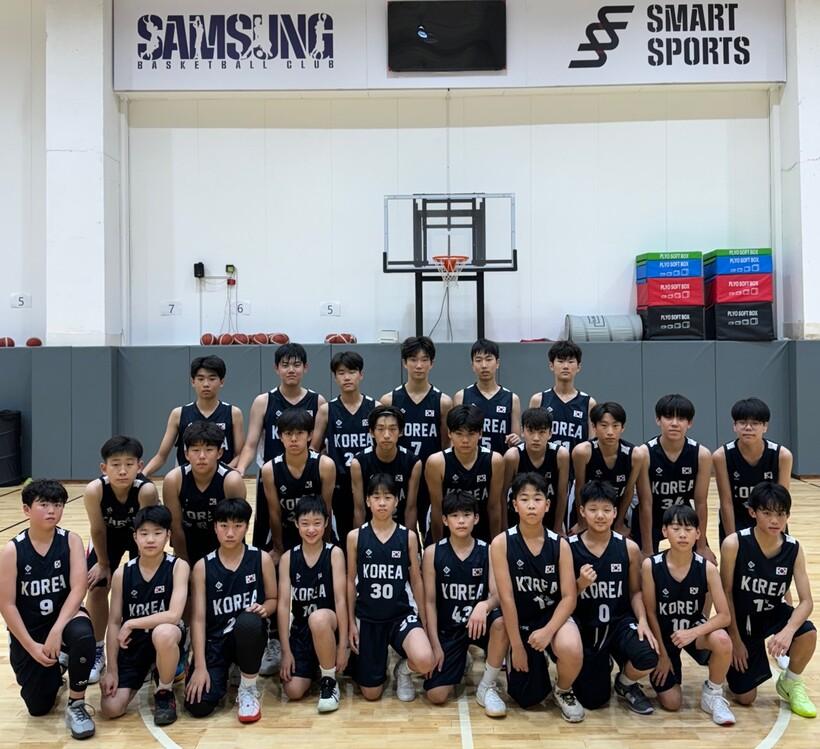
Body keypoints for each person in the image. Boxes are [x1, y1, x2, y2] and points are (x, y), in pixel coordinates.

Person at [0, 480, 96, 739]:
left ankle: (77, 703)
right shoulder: (12, 550)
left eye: (58, 504)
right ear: (26, 510)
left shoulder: (71, 541)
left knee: (83, 634)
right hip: (30, 629)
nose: (52, 510)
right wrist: (31, 646)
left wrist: (56, 631)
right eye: (43, 505)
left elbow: (78, 589)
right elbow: (6, 604)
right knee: (39, 707)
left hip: (64, 619)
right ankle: (59, 665)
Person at [491, 472, 585, 722]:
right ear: (515, 505)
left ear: (548, 505)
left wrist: (547, 631)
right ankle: (523, 657)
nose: (531, 505)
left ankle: (563, 690)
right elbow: (506, 599)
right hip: (520, 620)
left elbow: (569, 597)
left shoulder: (560, 545)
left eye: (537, 499)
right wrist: (517, 646)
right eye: (524, 499)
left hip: (551, 617)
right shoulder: (501, 543)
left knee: (571, 647)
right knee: (527, 699)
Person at [721, 482, 816, 718]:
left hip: (772, 611)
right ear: (752, 512)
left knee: (808, 633)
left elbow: (806, 601)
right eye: (767, 513)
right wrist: (735, 640)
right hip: (742, 619)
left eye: (781, 514)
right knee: (745, 698)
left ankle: (791, 681)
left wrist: (787, 631)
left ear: (788, 516)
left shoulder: (794, 548)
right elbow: (726, 593)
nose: (775, 520)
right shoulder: (734, 543)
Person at [569, 480, 659, 715]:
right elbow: (563, 597)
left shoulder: (629, 548)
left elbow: (635, 592)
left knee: (649, 654)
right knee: (593, 700)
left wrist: (642, 620)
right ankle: (600, 663)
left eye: (606, 510)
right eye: (593, 509)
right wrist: (580, 584)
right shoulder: (568, 547)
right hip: (586, 627)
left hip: (618, 622)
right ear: (582, 511)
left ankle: (625, 683)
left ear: (615, 512)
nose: (600, 515)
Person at [184, 498, 278, 723]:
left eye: (237, 526)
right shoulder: (202, 567)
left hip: (248, 636)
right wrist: (199, 665)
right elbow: (198, 619)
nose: (230, 533)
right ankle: (226, 671)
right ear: (215, 527)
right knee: (198, 705)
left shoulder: (261, 558)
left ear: (246, 527)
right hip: (216, 641)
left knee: (249, 622)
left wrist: (264, 608)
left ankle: (247, 687)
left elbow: (273, 599)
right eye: (224, 525)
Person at [642, 505, 735, 725]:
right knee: (672, 702)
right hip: (664, 635)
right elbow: (650, 613)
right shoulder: (650, 565)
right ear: (664, 531)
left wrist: (693, 633)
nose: (682, 535)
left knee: (722, 640)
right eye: (676, 529)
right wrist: (662, 656)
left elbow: (724, 616)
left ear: (698, 533)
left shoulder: (707, 568)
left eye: (688, 529)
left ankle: (713, 695)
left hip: (692, 630)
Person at [347, 473, 434, 702]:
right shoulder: (355, 537)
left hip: (400, 615)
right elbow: (349, 582)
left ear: (396, 501)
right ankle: (378, 660)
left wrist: (424, 620)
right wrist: (350, 623)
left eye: (388, 497)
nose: (382, 503)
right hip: (368, 618)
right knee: (371, 694)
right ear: (367, 501)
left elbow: (416, 580)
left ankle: (403, 670)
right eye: (376, 497)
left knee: (425, 659)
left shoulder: (408, 536)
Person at [101, 505, 190, 726]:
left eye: (157, 533)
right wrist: (111, 669)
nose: (150, 539)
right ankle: (151, 668)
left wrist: (131, 622)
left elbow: (174, 615)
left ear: (168, 535)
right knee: (111, 708)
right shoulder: (122, 573)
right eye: (144, 533)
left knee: (164, 633)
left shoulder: (178, 566)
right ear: (135, 537)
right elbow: (113, 623)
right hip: (135, 643)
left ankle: (164, 691)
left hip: (167, 635)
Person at [423, 490, 509, 717]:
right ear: (444, 520)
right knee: (437, 696)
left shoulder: (488, 550)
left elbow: (498, 595)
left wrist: (484, 606)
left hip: (479, 624)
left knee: (501, 622)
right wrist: (434, 644)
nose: (461, 521)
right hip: (449, 628)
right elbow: (429, 602)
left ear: (476, 518)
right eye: (454, 515)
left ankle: (487, 686)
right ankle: (461, 658)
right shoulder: (432, 553)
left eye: (467, 515)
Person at [234, 342, 327, 550]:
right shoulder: (263, 401)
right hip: (273, 477)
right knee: (268, 532)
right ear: (276, 368)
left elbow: (318, 445)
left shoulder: (317, 401)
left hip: (306, 476)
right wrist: (241, 468)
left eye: (296, 365)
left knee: (309, 527)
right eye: (285, 365)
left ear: (306, 367)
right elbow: (251, 443)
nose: (291, 370)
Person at [84, 435, 159, 684]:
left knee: (142, 590)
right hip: (107, 539)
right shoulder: (95, 490)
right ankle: (97, 651)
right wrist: (103, 564)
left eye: (129, 464)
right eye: (116, 464)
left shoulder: (146, 490)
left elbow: (148, 531)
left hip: (140, 537)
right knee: (96, 586)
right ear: (104, 468)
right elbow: (97, 530)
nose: (123, 470)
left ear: (140, 466)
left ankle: (142, 650)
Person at [277, 496, 348, 713]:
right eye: (305, 523)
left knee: (318, 619)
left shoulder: (334, 553)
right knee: (293, 690)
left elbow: (341, 600)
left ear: (326, 523)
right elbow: (283, 606)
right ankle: (320, 665)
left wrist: (342, 645)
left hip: (329, 624)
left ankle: (329, 681)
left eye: (317, 523)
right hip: (301, 631)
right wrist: (285, 651)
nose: (311, 529)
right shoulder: (288, 558)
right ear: (296, 524)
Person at [380, 335, 453, 538]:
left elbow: (446, 446)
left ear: (432, 363)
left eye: (424, 360)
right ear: (404, 363)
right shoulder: (389, 401)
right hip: (398, 478)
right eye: (413, 359)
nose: (419, 365)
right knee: (397, 536)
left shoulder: (443, 402)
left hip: (431, 480)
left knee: (435, 535)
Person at [634, 394, 714, 563]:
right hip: (651, 518)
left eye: (681, 418)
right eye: (669, 417)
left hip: (683, 516)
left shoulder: (702, 454)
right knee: (640, 566)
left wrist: (701, 546)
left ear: (689, 423)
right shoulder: (644, 453)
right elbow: (645, 504)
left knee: (708, 563)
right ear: (658, 420)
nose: (675, 423)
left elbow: (700, 503)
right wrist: (647, 549)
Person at [312, 351, 376, 545]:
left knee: (369, 536)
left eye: (352, 372)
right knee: (340, 536)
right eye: (341, 373)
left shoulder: (375, 407)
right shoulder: (326, 410)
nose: (347, 377)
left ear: (361, 374)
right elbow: (313, 449)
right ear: (335, 377)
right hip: (338, 483)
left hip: (370, 482)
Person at [143, 355, 245, 475]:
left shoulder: (233, 413)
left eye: (212, 379)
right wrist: (142, 475)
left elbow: (240, 454)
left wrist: (222, 472)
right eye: (200, 379)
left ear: (221, 382)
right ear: (193, 381)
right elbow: (161, 456)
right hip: (187, 479)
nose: (206, 384)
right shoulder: (178, 414)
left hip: (222, 479)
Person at [162, 421, 247, 566]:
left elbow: (237, 526)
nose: (202, 456)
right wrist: (184, 565)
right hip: (188, 544)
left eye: (209, 450)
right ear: (186, 454)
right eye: (195, 450)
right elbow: (176, 528)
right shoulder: (174, 480)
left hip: (223, 543)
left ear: (219, 453)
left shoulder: (232, 481)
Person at [712, 397, 793, 543]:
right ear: (734, 426)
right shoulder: (721, 456)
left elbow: (782, 502)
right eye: (742, 422)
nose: (748, 428)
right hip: (737, 520)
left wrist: (778, 537)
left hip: (770, 519)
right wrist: (732, 540)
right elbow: (726, 502)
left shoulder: (782, 455)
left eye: (755, 423)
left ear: (765, 427)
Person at [262, 408, 335, 561]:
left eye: (300, 433)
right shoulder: (269, 469)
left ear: (310, 435)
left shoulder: (325, 465)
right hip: (286, 532)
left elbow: (326, 509)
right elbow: (274, 513)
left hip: (317, 531)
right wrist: (278, 549)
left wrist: (325, 546)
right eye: (288, 433)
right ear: (280, 436)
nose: (294, 439)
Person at [426, 404, 504, 543]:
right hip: (448, 531)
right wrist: (438, 547)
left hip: (482, 529)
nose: (465, 440)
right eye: (459, 434)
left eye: (471, 434)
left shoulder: (494, 460)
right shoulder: (436, 462)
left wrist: (495, 544)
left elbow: (494, 507)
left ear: (480, 433)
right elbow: (437, 509)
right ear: (449, 433)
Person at [572, 402, 641, 536]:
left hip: (618, 511)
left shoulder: (635, 454)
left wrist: (619, 523)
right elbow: (579, 488)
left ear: (623, 427)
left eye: (615, 426)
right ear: (594, 427)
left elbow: (629, 492)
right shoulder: (582, 452)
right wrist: (582, 522)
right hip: (587, 509)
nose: (610, 432)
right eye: (604, 426)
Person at [350, 405, 421, 529]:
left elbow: (410, 508)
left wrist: (408, 538)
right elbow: (359, 509)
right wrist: (360, 538)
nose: (387, 435)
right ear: (371, 432)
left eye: (393, 429)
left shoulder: (413, 462)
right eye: (380, 429)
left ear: (401, 432)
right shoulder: (359, 462)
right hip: (370, 527)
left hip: (400, 527)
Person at [503, 407, 568, 534]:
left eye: (542, 432)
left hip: (549, 517)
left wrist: (558, 527)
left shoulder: (561, 455)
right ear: (522, 431)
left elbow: (562, 494)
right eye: (531, 431)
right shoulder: (513, 456)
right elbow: (502, 495)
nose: (536, 438)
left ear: (550, 433)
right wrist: (504, 528)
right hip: (517, 518)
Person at [453, 338, 521, 454]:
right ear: (472, 365)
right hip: (470, 461)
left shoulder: (512, 399)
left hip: (501, 461)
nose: (484, 365)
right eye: (478, 360)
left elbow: (515, 440)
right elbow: (455, 437)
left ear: (497, 363)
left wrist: (515, 440)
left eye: (489, 359)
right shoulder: (461, 396)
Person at [528, 340, 596, 455]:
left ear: (579, 367)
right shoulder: (538, 400)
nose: (565, 366)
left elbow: (592, 444)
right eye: (560, 361)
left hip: (576, 464)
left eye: (571, 362)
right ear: (551, 365)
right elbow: (530, 438)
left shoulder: (589, 403)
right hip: (547, 464)